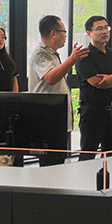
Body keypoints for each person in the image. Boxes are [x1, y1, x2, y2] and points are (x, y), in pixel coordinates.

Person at [29, 15, 89, 165]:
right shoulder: (40, 53)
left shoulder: (52, 54)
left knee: (58, 162)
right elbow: (50, 78)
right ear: (53, 33)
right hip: (46, 119)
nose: (66, 35)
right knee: (50, 164)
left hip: (58, 119)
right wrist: (72, 59)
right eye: (64, 31)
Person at [75, 16, 112, 160]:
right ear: (89, 33)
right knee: (88, 154)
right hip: (92, 112)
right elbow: (97, 82)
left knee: (111, 155)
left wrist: (110, 79)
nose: (105, 31)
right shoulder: (84, 55)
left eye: (106, 28)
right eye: (99, 28)